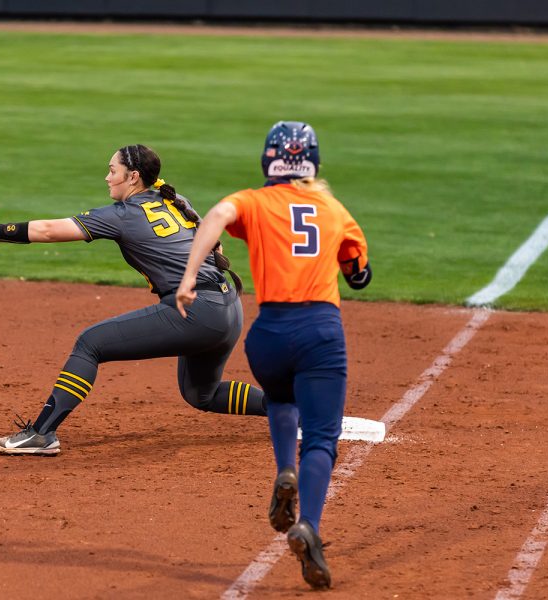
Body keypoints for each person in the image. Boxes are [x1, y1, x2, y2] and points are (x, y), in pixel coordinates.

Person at [0, 144, 268, 455]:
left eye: (112, 170)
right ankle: (291, 409)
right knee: (202, 393)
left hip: (196, 312)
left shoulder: (124, 214)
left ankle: (41, 433)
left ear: (132, 177)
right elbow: (217, 247)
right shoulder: (174, 200)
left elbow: (49, 230)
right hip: (229, 308)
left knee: (91, 343)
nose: (106, 177)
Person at [176, 122, 371, 589]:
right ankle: (310, 526)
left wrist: (188, 278)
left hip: (267, 335)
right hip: (319, 332)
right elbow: (358, 274)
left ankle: (284, 466)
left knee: (282, 400)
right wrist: (348, 264)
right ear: (314, 162)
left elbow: (217, 215)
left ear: (269, 161)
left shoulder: (253, 201)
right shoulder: (333, 208)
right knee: (322, 439)